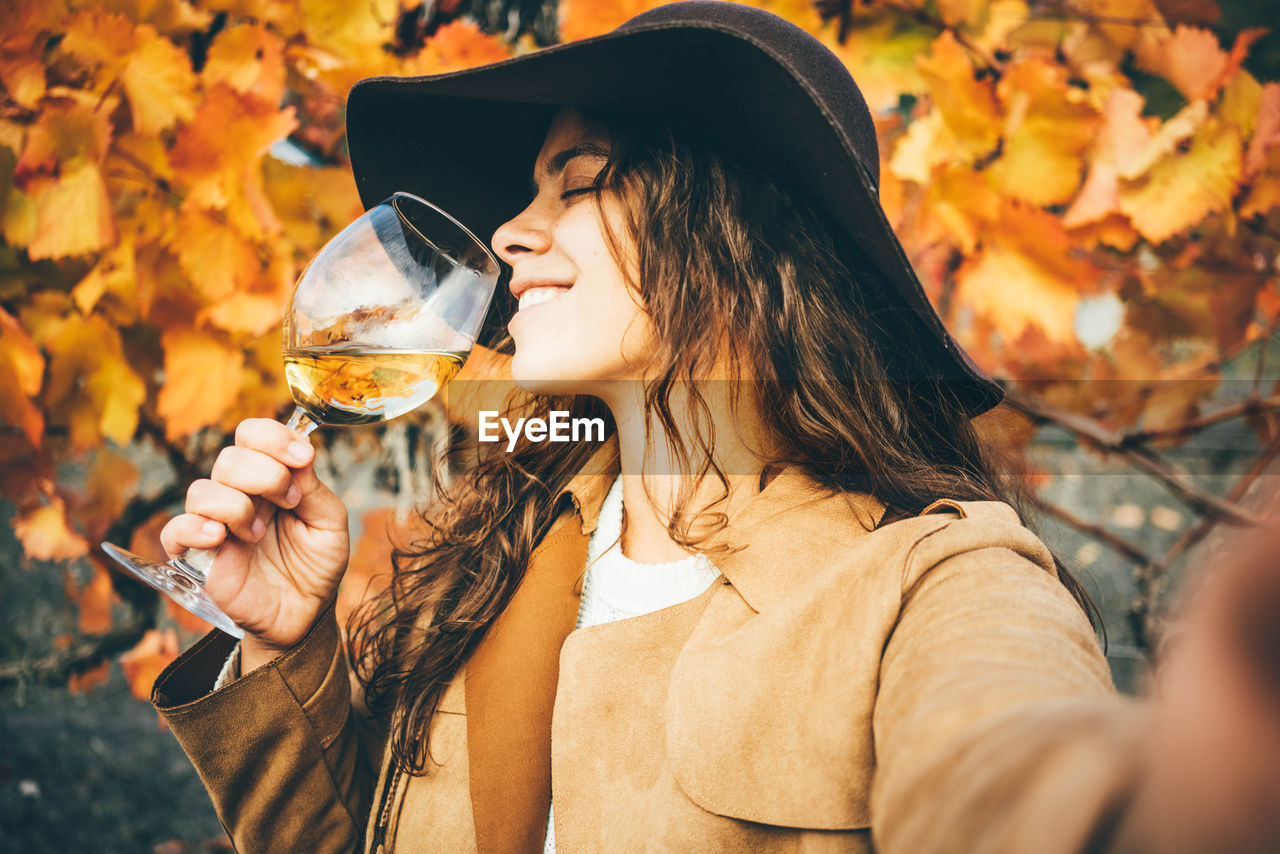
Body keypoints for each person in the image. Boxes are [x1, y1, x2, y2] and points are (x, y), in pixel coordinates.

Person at [151, 3, 1280, 852]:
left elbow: (1007, 774)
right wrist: (282, 647)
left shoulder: (933, 584)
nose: (508, 231)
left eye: (574, 180)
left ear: (739, 238)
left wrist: (1194, 790)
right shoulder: (493, 548)